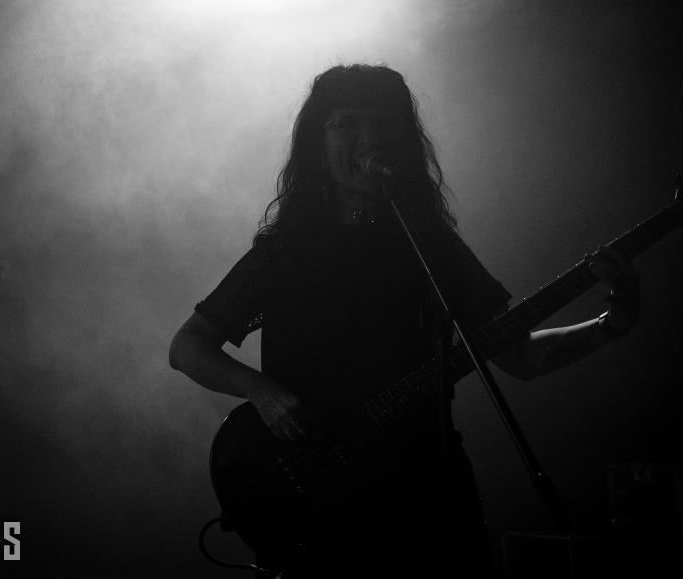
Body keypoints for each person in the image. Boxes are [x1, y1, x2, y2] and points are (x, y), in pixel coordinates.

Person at [169, 64, 640, 577]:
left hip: (427, 499)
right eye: (348, 123)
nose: (368, 138)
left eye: (383, 124)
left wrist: (610, 323)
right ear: (317, 146)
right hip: (319, 505)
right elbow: (188, 346)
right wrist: (260, 392)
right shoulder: (284, 255)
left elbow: (521, 356)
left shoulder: (431, 247)